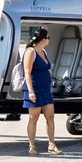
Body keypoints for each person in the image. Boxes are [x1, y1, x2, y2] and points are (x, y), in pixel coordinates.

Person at [22, 27, 61, 155]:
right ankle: (32, 146)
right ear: (43, 39)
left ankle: (51, 144)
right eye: (48, 38)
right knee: (34, 118)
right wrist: (31, 92)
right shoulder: (30, 52)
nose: (49, 40)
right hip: (34, 89)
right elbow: (27, 72)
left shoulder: (43, 51)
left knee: (50, 117)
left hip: (45, 89)